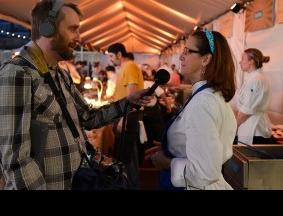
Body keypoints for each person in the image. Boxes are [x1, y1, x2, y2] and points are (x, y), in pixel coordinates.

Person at [0, 0, 152, 190]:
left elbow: (88, 117)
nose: (79, 37)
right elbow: (16, 159)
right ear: (48, 29)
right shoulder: (16, 74)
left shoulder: (60, 74)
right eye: (73, 29)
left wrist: (127, 102)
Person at [145, 28, 237, 190]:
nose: (181, 56)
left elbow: (204, 172)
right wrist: (174, 145)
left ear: (206, 59)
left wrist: (167, 162)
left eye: (187, 51)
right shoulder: (205, 96)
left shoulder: (202, 103)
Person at [107, 43, 144, 190]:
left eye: (111, 56)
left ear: (119, 54)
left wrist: (124, 118)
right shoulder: (126, 67)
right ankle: (133, 185)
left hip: (129, 115)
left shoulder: (129, 66)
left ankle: (132, 186)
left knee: (125, 155)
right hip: (127, 114)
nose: (110, 59)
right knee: (129, 153)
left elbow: (131, 94)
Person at [235, 48, 275, 145]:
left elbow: (247, 111)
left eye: (243, 59)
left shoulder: (256, 79)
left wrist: (232, 126)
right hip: (251, 127)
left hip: (254, 131)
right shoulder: (255, 77)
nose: (240, 62)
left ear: (251, 61)